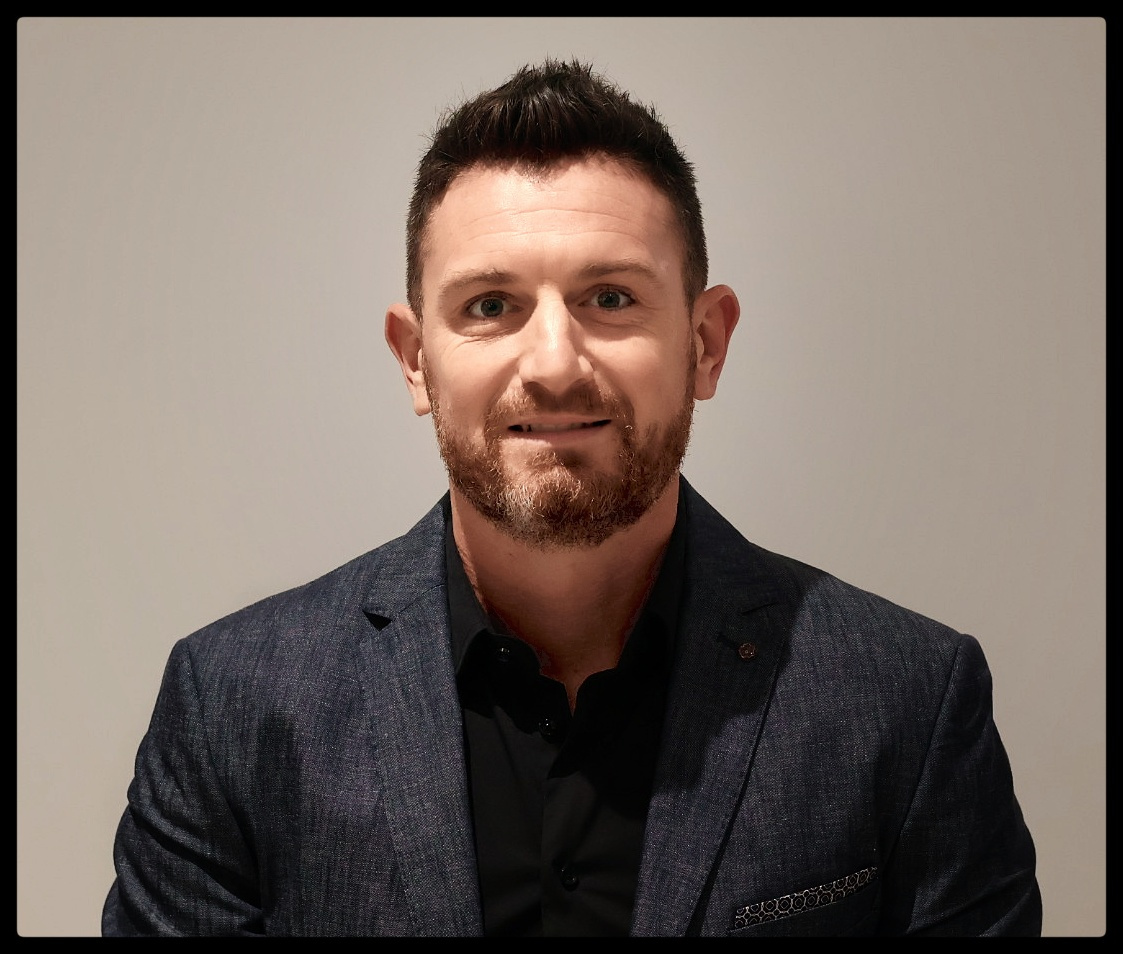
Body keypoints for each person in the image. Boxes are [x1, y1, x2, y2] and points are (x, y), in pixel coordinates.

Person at [102, 59, 1041, 937]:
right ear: (415, 360)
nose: (553, 365)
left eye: (610, 298)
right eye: (489, 306)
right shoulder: (231, 707)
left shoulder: (907, 701)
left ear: (705, 344)